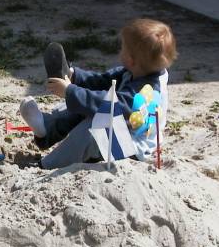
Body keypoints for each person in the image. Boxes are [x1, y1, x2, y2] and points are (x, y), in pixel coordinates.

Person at [19, 18, 177, 169]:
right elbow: (102, 82)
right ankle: (47, 128)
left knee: (93, 126)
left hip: (134, 150)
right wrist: (75, 76)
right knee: (84, 102)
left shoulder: (146, 92)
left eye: (123, 48)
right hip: (121, 131)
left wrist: (69, 91)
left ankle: (47, 165)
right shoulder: (137, 71)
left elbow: (110, 105)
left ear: (131, 60)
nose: (120, 50)